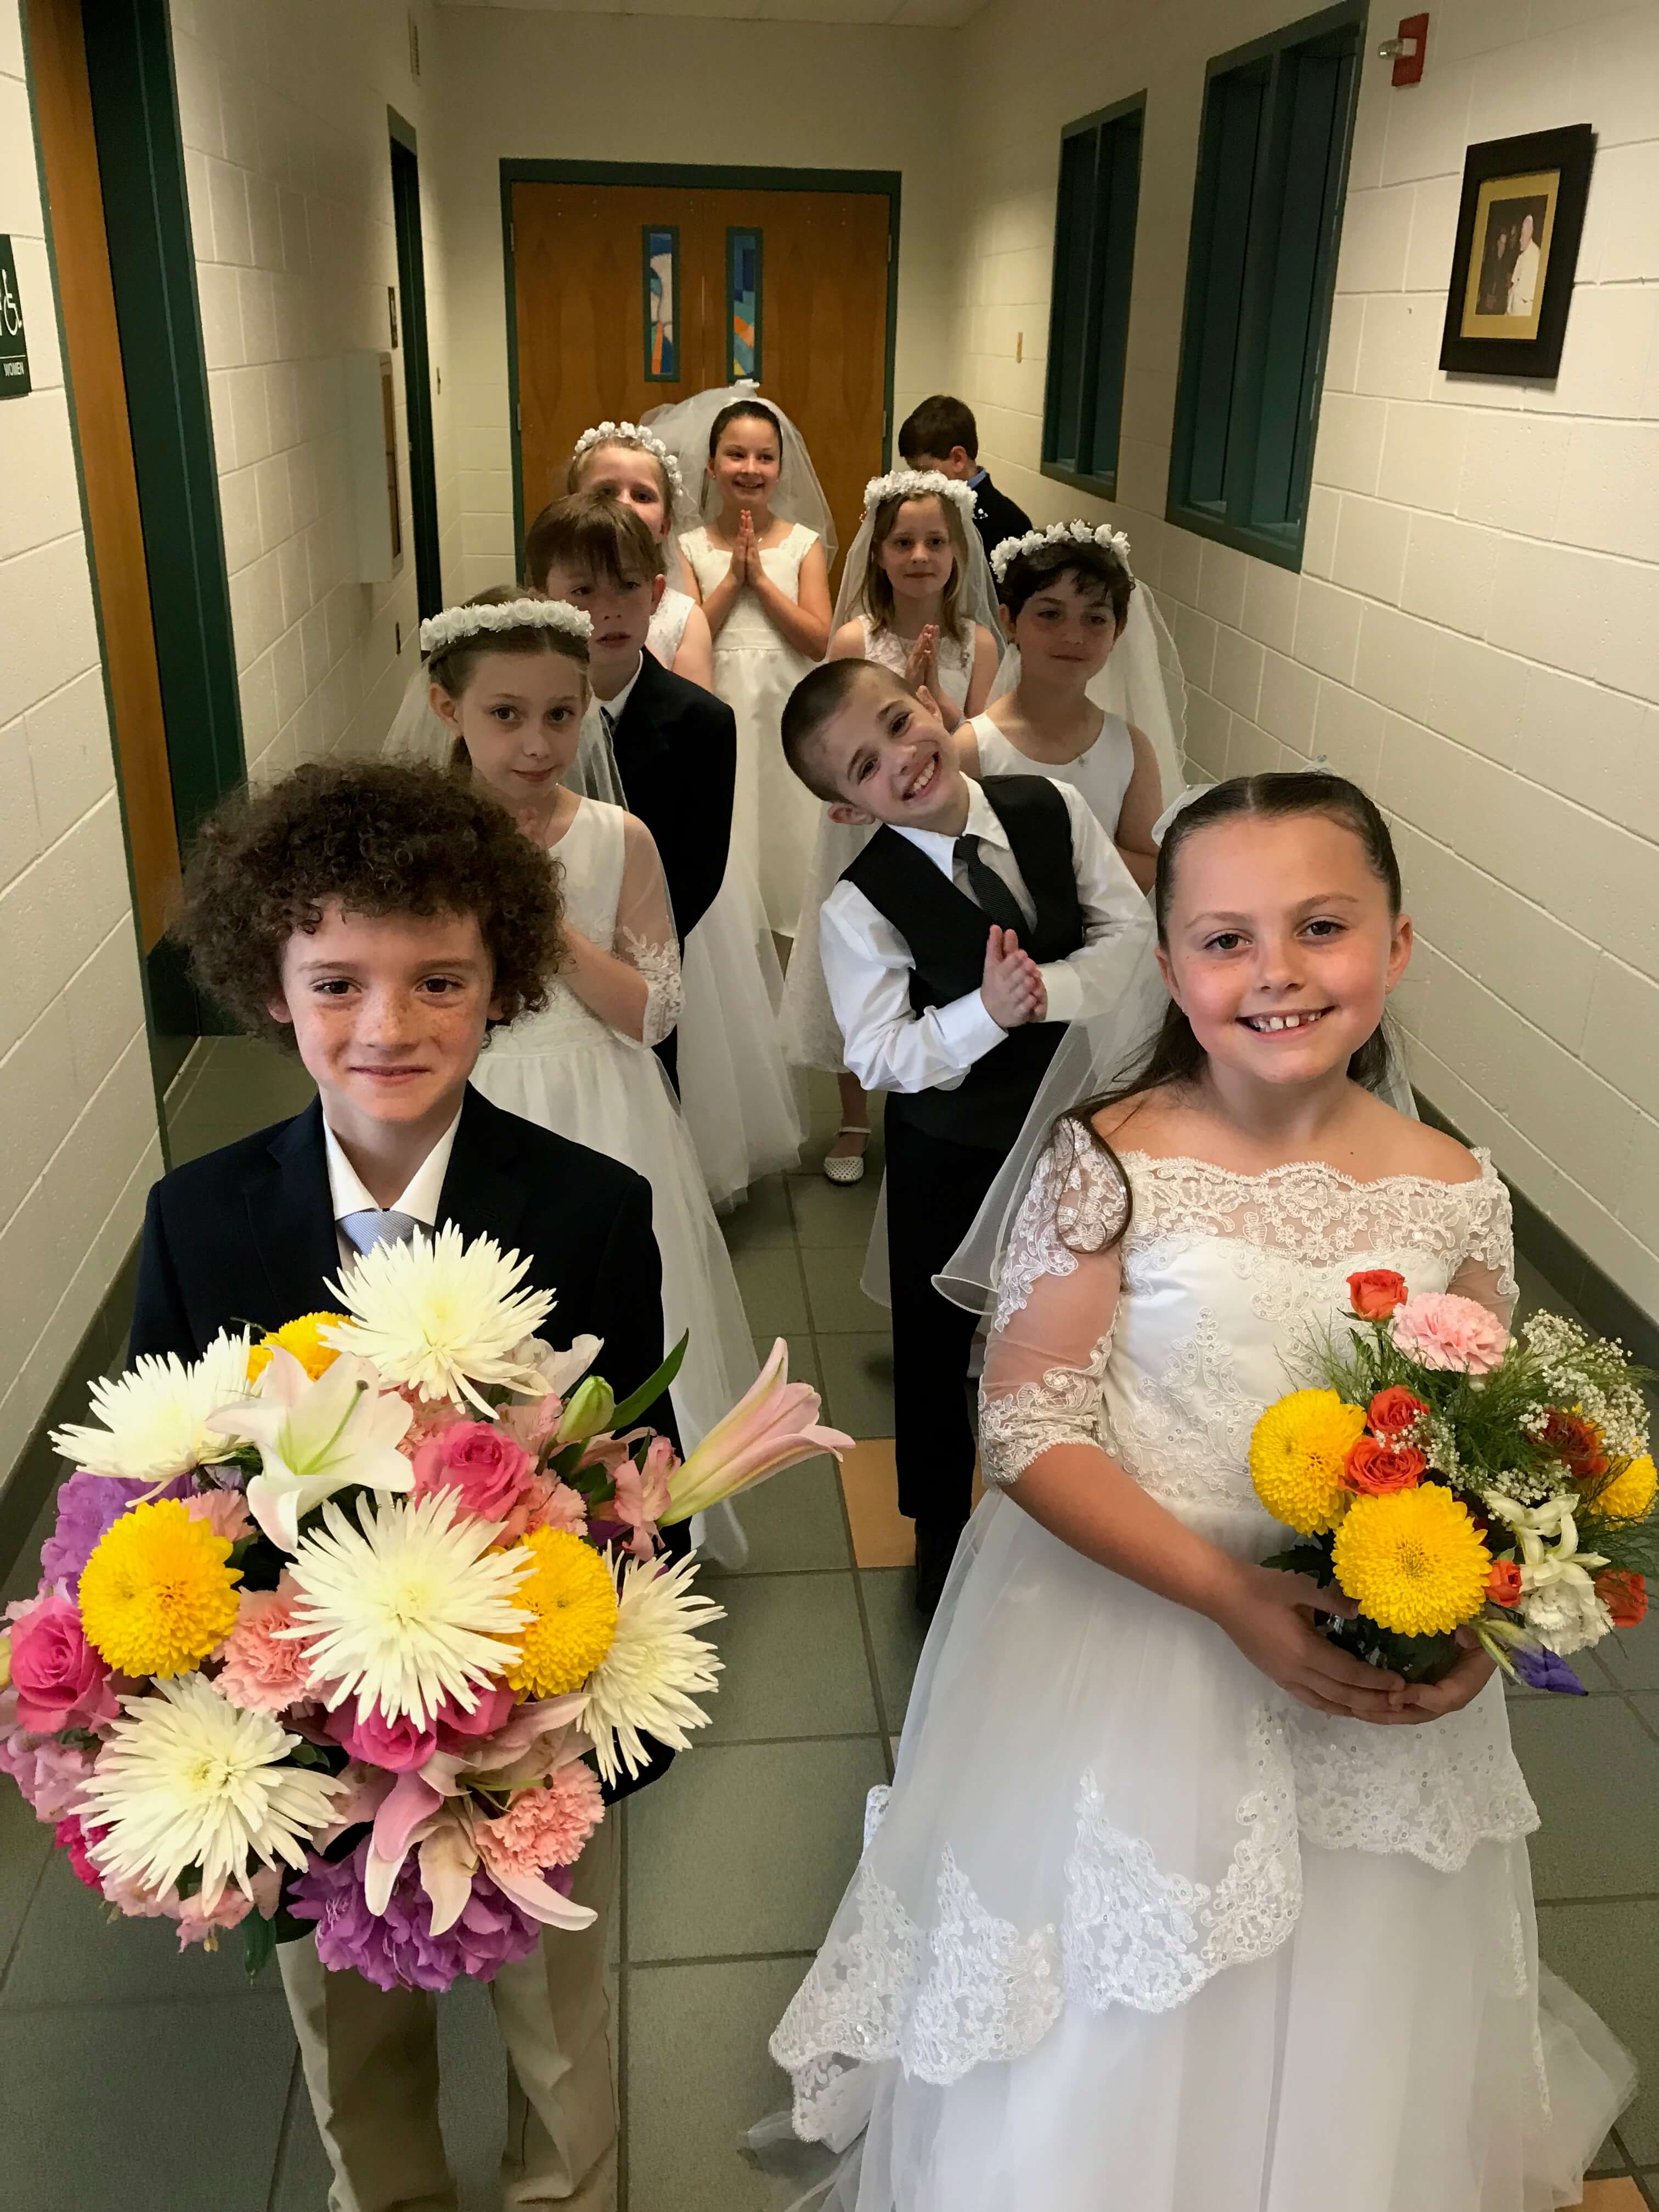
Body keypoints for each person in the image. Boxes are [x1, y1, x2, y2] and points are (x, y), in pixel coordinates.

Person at [765, 771, 1634, 2211]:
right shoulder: (1116, 1161)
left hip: (1369, 1655)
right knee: (1129, 1979)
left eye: (1322, 926)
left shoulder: (1454, 1188)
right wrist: (1231, 1592)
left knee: (1359, 1976)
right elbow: (1031, 1422)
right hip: (1140, 1625)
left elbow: (1491, 1446)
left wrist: (1484, 1627)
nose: (1276, 971)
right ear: (1170, 966)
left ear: (1398, 947)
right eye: (1226, 938)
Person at [129, 756, 674, 2212]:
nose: (387, 1027)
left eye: (439, 982)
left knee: (562, 2034)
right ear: (271, 989)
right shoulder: (200, 1220)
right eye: (337, 985)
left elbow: (635, 1482)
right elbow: (162, 1488)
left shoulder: (588, 1210)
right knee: (353, 2044)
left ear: (502, 981)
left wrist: (584, 1713)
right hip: (312, 1732)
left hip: (528, 1720)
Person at [782, 657, 1159, 1615]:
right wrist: (984, 1014)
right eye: (864, 768)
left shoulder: (1048, 808)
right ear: (844, 808)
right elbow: (878, 1054)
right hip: (948, 1142)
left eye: (901, 723)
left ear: (933, 707)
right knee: (934, 1333)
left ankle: (1093, 1499)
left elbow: (1122, 929)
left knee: (1082, 1311)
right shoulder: (856, 907)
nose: (903, 761)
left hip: (1080, 1118)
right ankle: (937, 1523)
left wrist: (1043, 998)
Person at [424, 590, 758, 1537]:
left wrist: (546, 919)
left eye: (560, 715)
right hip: (472, 1098)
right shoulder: (425, 843)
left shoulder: (619, 840)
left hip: (602, 1099)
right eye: (505, 714)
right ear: (450, 709)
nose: (536, 742)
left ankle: (624, 1515)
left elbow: (651, 1013)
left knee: (608, 1315)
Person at [526, 490, 803, 1207]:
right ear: (542, 597)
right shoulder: (520, 719)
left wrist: (614, 956)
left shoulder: (702, 723)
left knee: (641, 1131)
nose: (607, 609)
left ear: (657, 595)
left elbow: (697, 870)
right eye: (582, 590)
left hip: (644, 961)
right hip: (523, 966)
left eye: (625, 587)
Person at [781, 468, 1003, 1184]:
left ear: (956, 555)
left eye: (935, 541)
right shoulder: (854, 638)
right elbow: (826, 738)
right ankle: (852, 1115)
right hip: (862, 830)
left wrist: (935, 701)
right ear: (877, 554)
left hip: (940, 827)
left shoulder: (978, 644)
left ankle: (934, 1088)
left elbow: (982, 743)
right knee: (858, 962)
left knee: (926, 956)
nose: (919, 556)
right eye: (902, 541)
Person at [668, 390, 834, 938]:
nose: (751, 468)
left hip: (787, 705)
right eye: (736, 455)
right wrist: (732, 579)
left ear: (780, 468)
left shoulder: (802, 545)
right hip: (720, 703)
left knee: (784, 825)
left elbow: (817, 639)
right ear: (712, 466)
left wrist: (761, 581)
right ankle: (731, 932)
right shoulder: (688, 547)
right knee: (730, 817)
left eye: (764, 457)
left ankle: (789, 929)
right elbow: (687, 633)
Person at [964, 523, 1164, 889]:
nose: (1073, 636)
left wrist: (1073, 848)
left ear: (1118, 632)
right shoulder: (972, 748)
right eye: (1050, 615)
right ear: (1009, 622)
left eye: (1095, 619)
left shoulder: (1131, 748)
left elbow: (1151, 870)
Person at [564, 417, 715, 689]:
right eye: (606, 492)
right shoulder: (556, 597)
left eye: (643, 496)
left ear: (665, 526)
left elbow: (694, 719)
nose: (625, 505)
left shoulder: (683, 619)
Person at [898, 393, 1032, 567]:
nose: (918, 481)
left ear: (958, 459)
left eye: (924, 471)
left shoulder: (1010, 522)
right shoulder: (923, 508)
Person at [1507, 209, 1541, 317]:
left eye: (1523, 234)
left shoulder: (1536, 256)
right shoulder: (1522, 256)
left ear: (1531, 233)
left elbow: (1526, 298)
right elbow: (1513, 288)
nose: (1520, 240)